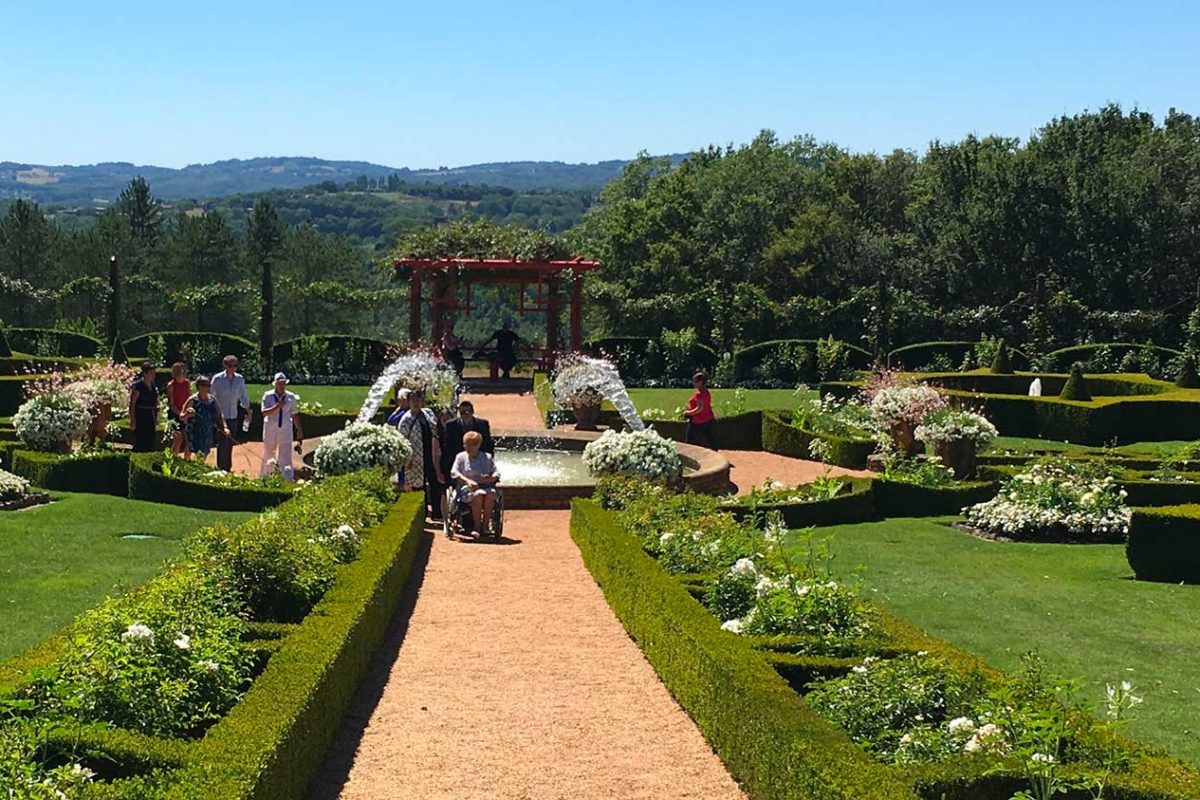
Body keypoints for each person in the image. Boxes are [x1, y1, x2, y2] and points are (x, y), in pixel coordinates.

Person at [391, 388, 444, 519]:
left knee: (435, 483)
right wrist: (406, 461)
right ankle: (422, 514)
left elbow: (436, 430)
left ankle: (437, 512)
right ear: (408, 402)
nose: (416, 403)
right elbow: (402, 442)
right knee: (417, 486)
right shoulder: (406, 419)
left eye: (419, 400)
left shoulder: (428, 413)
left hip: (431, 455)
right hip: (415, 459)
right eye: (413, 400)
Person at [451, 430, 500, 536]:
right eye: (465, 445)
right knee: (478, 495)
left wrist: (492, 478)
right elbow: (454, 472)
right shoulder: (461, 457)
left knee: (491, 493)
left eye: (470, 445)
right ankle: (477, 527)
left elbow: (496, 472)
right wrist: (467, 481)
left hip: (485, 486)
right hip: (467, 488)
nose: (467, 448)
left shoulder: (487, 457)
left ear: (478, 445)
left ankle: (485, 525)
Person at [211, 355, 252, 471]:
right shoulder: (217, 379)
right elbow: (211, 395)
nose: (232, 368)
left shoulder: (240, 379)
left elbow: (243, 395)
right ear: (224, 365)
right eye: (230, 366)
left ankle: (227, 467)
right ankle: (221, 467)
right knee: (222, 443)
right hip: (220, 416)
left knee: (230, 443)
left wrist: (248, 410)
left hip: (233, 415)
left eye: (235, 366)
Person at [260, 372, 303, 480]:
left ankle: (287, 478)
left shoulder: (290, 397)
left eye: (284, 383)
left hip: (285, 429)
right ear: (275, 384)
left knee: (285, 455)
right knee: (268, 453)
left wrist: (299, 430)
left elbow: (294, 414)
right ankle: (266, 476)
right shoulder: (268, 396)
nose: (282, 386)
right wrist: (277, 407)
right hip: (270, 428)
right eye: (280, 383)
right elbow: (264, 412)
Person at [441, 399, 493, 478]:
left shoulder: (482, 424)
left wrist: (487, 465)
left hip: (478, 460)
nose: (465, 415)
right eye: (462, 412)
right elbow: (447, 447)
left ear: (472, 412)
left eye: (467, 412)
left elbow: (488, 444)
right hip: (458, 460)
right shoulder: (451, 425)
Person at [181, 377, 229, 460]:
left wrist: (225, 427)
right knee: (189, 450)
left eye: (208, 385)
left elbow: (220, 414)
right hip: (194, 431)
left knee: (204, 454)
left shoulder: (213, 400)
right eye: (204, 385)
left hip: (208, 432)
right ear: (198, 386)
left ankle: (200, 468)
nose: (207, 387)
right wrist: (187, 414)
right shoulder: (192, 400)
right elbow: (181, 416)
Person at [128, 361, 160, 452]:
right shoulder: (138, 386)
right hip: (140, 415)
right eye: (151, 373)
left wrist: (157, 415)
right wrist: (132, 420)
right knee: (140, 439)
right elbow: (132, 403)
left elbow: (156, 401)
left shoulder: (153, 385)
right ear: (145, 373)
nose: (154, 375)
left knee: (151, 438)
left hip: (151, 415)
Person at [683, 371, 718, 450]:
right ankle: (716, 453)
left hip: (698, 420)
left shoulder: (699, 394)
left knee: (690, 440)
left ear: (701, 382)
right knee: (709, 438)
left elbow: (699, 408)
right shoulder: (706, 392)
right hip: (708, 418)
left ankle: (689, 455)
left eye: (695, 381)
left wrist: (688, 413)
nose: (693, 383)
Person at [167, 361, 191, 457]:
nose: (184, 373)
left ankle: (187, 462)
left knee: (189, 440)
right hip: (175, 414)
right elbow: (171, 404)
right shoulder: (171, 385)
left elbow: (189, 398)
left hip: (185, 413)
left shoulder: (187, 383)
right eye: (182, 371)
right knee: (178, 440)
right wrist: (180, 414)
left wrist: (187, 412)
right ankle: (173, 461)